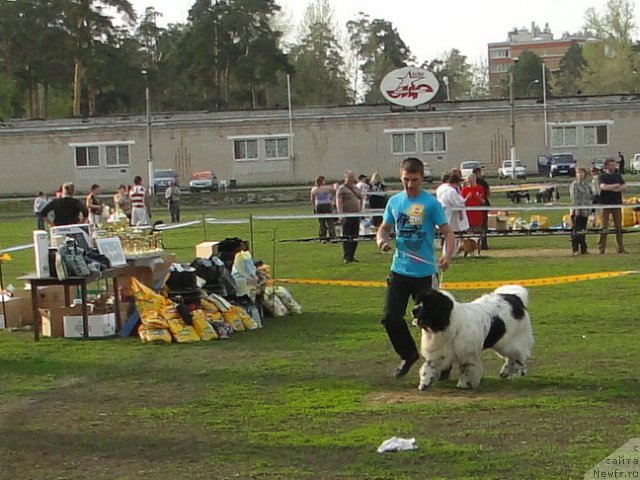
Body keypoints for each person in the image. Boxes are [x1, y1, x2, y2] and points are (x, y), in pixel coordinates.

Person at [376, 157, 455, 378]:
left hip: (425, 274)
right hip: (399, 271)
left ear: (421, 178)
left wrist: (447, 255)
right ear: (400, 177)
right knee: (390, 318)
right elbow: (383, 228)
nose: (410, 185)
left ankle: (445, 362)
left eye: (415, 180)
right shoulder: (394, 202)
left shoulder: (430, 204)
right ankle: (408, 354)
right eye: (406, 180)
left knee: (434, 323)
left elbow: (448, 233)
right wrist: (382, 240)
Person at [597, 158, 627, 254]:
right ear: (607, 166)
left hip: (616, 203)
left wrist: (613, 188)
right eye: (611, 165)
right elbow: (603, 187)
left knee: (618, 226)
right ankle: (601, 248)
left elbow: (623, 187)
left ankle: (620, 248)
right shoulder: (602, 177)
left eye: (614, 165)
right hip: (605, 204)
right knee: (604, 226)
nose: (613, 167)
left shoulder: (618, 176)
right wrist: (615, 186)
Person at [436, 174, 469, 253]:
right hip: (451, 216)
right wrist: (467, 198)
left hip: (443, 213)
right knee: (452, 234)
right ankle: (450, 253)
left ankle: (449, 252)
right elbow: (458, 203)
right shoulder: (451, 191)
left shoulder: (441, 188)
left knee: (448, 234)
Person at [336, 171, 362, 263]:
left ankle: (352, 255)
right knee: (347, 236)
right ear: (345, 178)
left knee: (355, 236)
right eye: (349, 177)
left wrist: (361, 211)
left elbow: (361, 198)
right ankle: (346, 256)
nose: (351, 179)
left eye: (352, 177)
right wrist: (341, 215)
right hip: (347, 215)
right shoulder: (341, 189)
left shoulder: (356, 188)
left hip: (356, 215)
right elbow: (339, 202)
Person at [569, 167, 592, 255]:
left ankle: (584, 249)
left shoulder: (586, 185)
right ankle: (575, 249)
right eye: (578, 173)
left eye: (582, 173)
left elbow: (590, 196)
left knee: (583, 230)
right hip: (576, 211)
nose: (580, 174)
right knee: (576, 230)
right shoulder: (574, 185)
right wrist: (577, 210)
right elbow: (574, 198)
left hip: (585, 211)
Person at [310, 176, 336, 241]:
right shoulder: (327, 188)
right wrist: (332, 199)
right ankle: (332, 236)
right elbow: (334, 191)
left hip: (318, 205)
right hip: (327, 204)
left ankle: (322, 237)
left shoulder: (314, 189)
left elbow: (312, 199)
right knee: (330, 221)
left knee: (321, 222)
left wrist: (314, 207)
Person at [473, 167, 490, 249]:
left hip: (472, 207)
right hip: (483, 206)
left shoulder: (468, 183)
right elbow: (489, 192)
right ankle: (483, 244)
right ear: (477, 173)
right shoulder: (483, 183)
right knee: (483, 225)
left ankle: (473, 244)